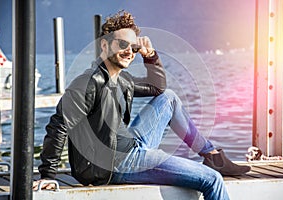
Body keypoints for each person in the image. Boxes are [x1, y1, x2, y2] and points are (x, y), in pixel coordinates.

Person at [33, 11, 250, 200]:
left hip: (130, 145)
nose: (129, 51)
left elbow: (158, 87)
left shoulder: (121, 79)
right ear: (105, 45)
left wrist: (150, 56)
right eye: (122, 44)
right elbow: (58, 125)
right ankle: (214, 167)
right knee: (212, 180)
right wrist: (47, 175)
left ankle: (211, 155)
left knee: (170, 97)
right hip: (115, 163)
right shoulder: (88, 83)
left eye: (133, 47)